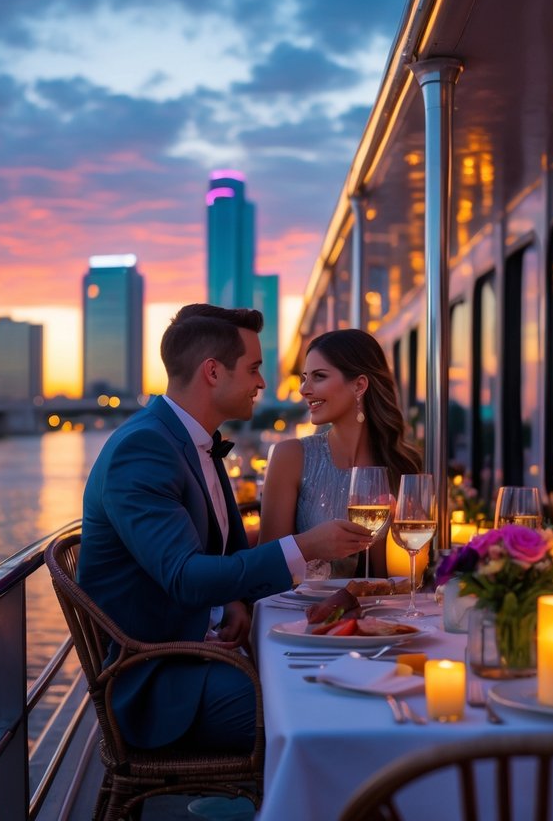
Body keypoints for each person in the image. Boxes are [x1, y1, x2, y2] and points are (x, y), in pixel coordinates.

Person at [79, 304, 374, 752]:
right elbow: (185, 576)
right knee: (327, 713)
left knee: (349, 680)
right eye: (254, 369)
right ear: (213, 372)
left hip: (207, 651)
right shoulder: (143, 449)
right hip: (164, 684)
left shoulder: (191, 442)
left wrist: (232, 599)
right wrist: (307, 544)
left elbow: (208, 558)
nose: (262, 383)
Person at [259, 329, 422, 578]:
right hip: (304, 612)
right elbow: (267, 565)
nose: (304, 389)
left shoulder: (403, 465)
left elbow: (400, 574)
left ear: (359, 385)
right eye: (305, 378)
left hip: (379, 612)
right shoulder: (290, 457)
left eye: (319, 377)